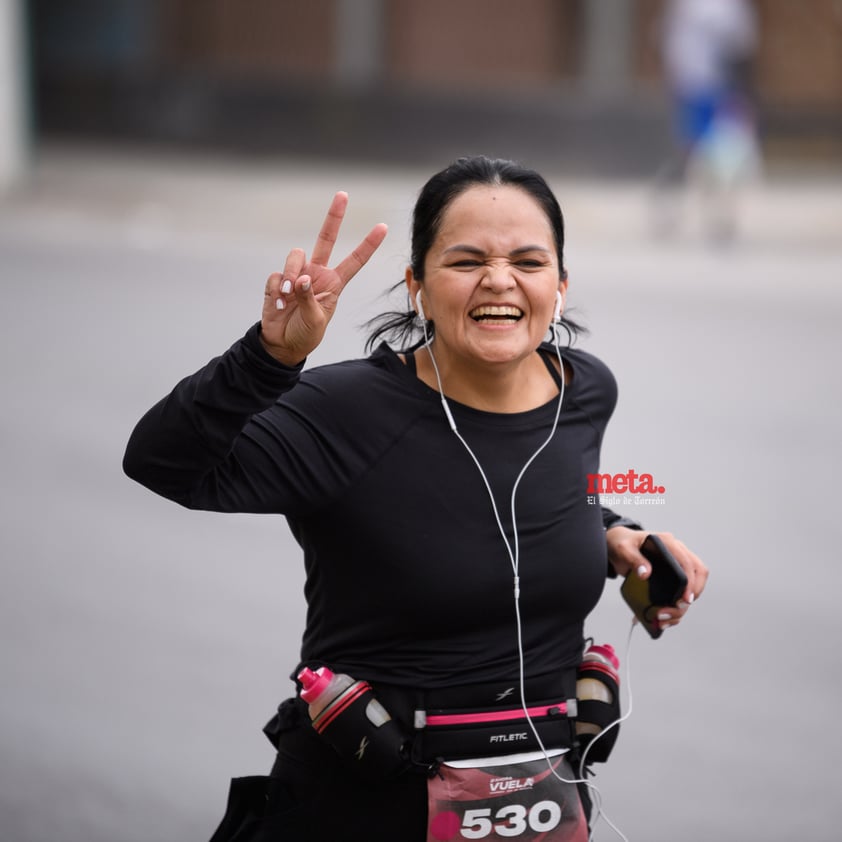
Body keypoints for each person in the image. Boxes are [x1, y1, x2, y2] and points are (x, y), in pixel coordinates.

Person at [123, 156, 708, 842]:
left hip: (543, 806)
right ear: (417, 286)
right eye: (466, 261)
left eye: (528, 260)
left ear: (560, 284)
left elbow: (532, 488)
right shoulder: (346, 411)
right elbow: (162, 463)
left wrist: (613, 531)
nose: (499, 279)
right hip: (360, 806)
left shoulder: (582, 392)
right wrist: (268, 359)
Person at [654, 0, 761, 240]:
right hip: (702, 87)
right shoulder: (721, 7)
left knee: (711, 154)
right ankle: (686, 208)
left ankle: (716, 214)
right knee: (703, 152)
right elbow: (741, 47)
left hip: (706, 86)